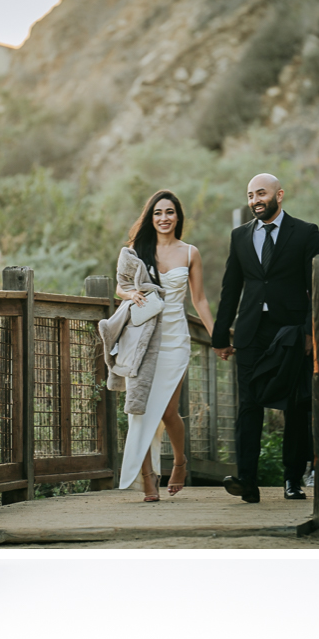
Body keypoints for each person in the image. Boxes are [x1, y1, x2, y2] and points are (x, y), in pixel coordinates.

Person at [210, 173, 319, 503]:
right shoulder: (240, 236)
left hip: (290, 333)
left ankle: (293, 480)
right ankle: (247, 479)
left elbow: (317, 288)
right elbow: (230, 289)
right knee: (249, 405)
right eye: (249, 195)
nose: (254, 200)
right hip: (251, 333)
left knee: (295, 407)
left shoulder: (305, 233)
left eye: (261, 193)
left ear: (280, 195)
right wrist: (221, 336)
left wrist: (308, 332)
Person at [113, 190, 214, 501]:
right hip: (143, 338)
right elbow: (120, 287)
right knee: (139, 409)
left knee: (169, 411)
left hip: (175, 340)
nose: (164, 218)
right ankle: (147, 477)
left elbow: (199, 300)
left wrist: (217, 336)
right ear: (150, 218)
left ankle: (180, 463)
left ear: (178, 217)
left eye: (169, 212)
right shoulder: (137, 250)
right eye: (158, 213)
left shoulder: (190, 253)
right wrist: (131, 295)